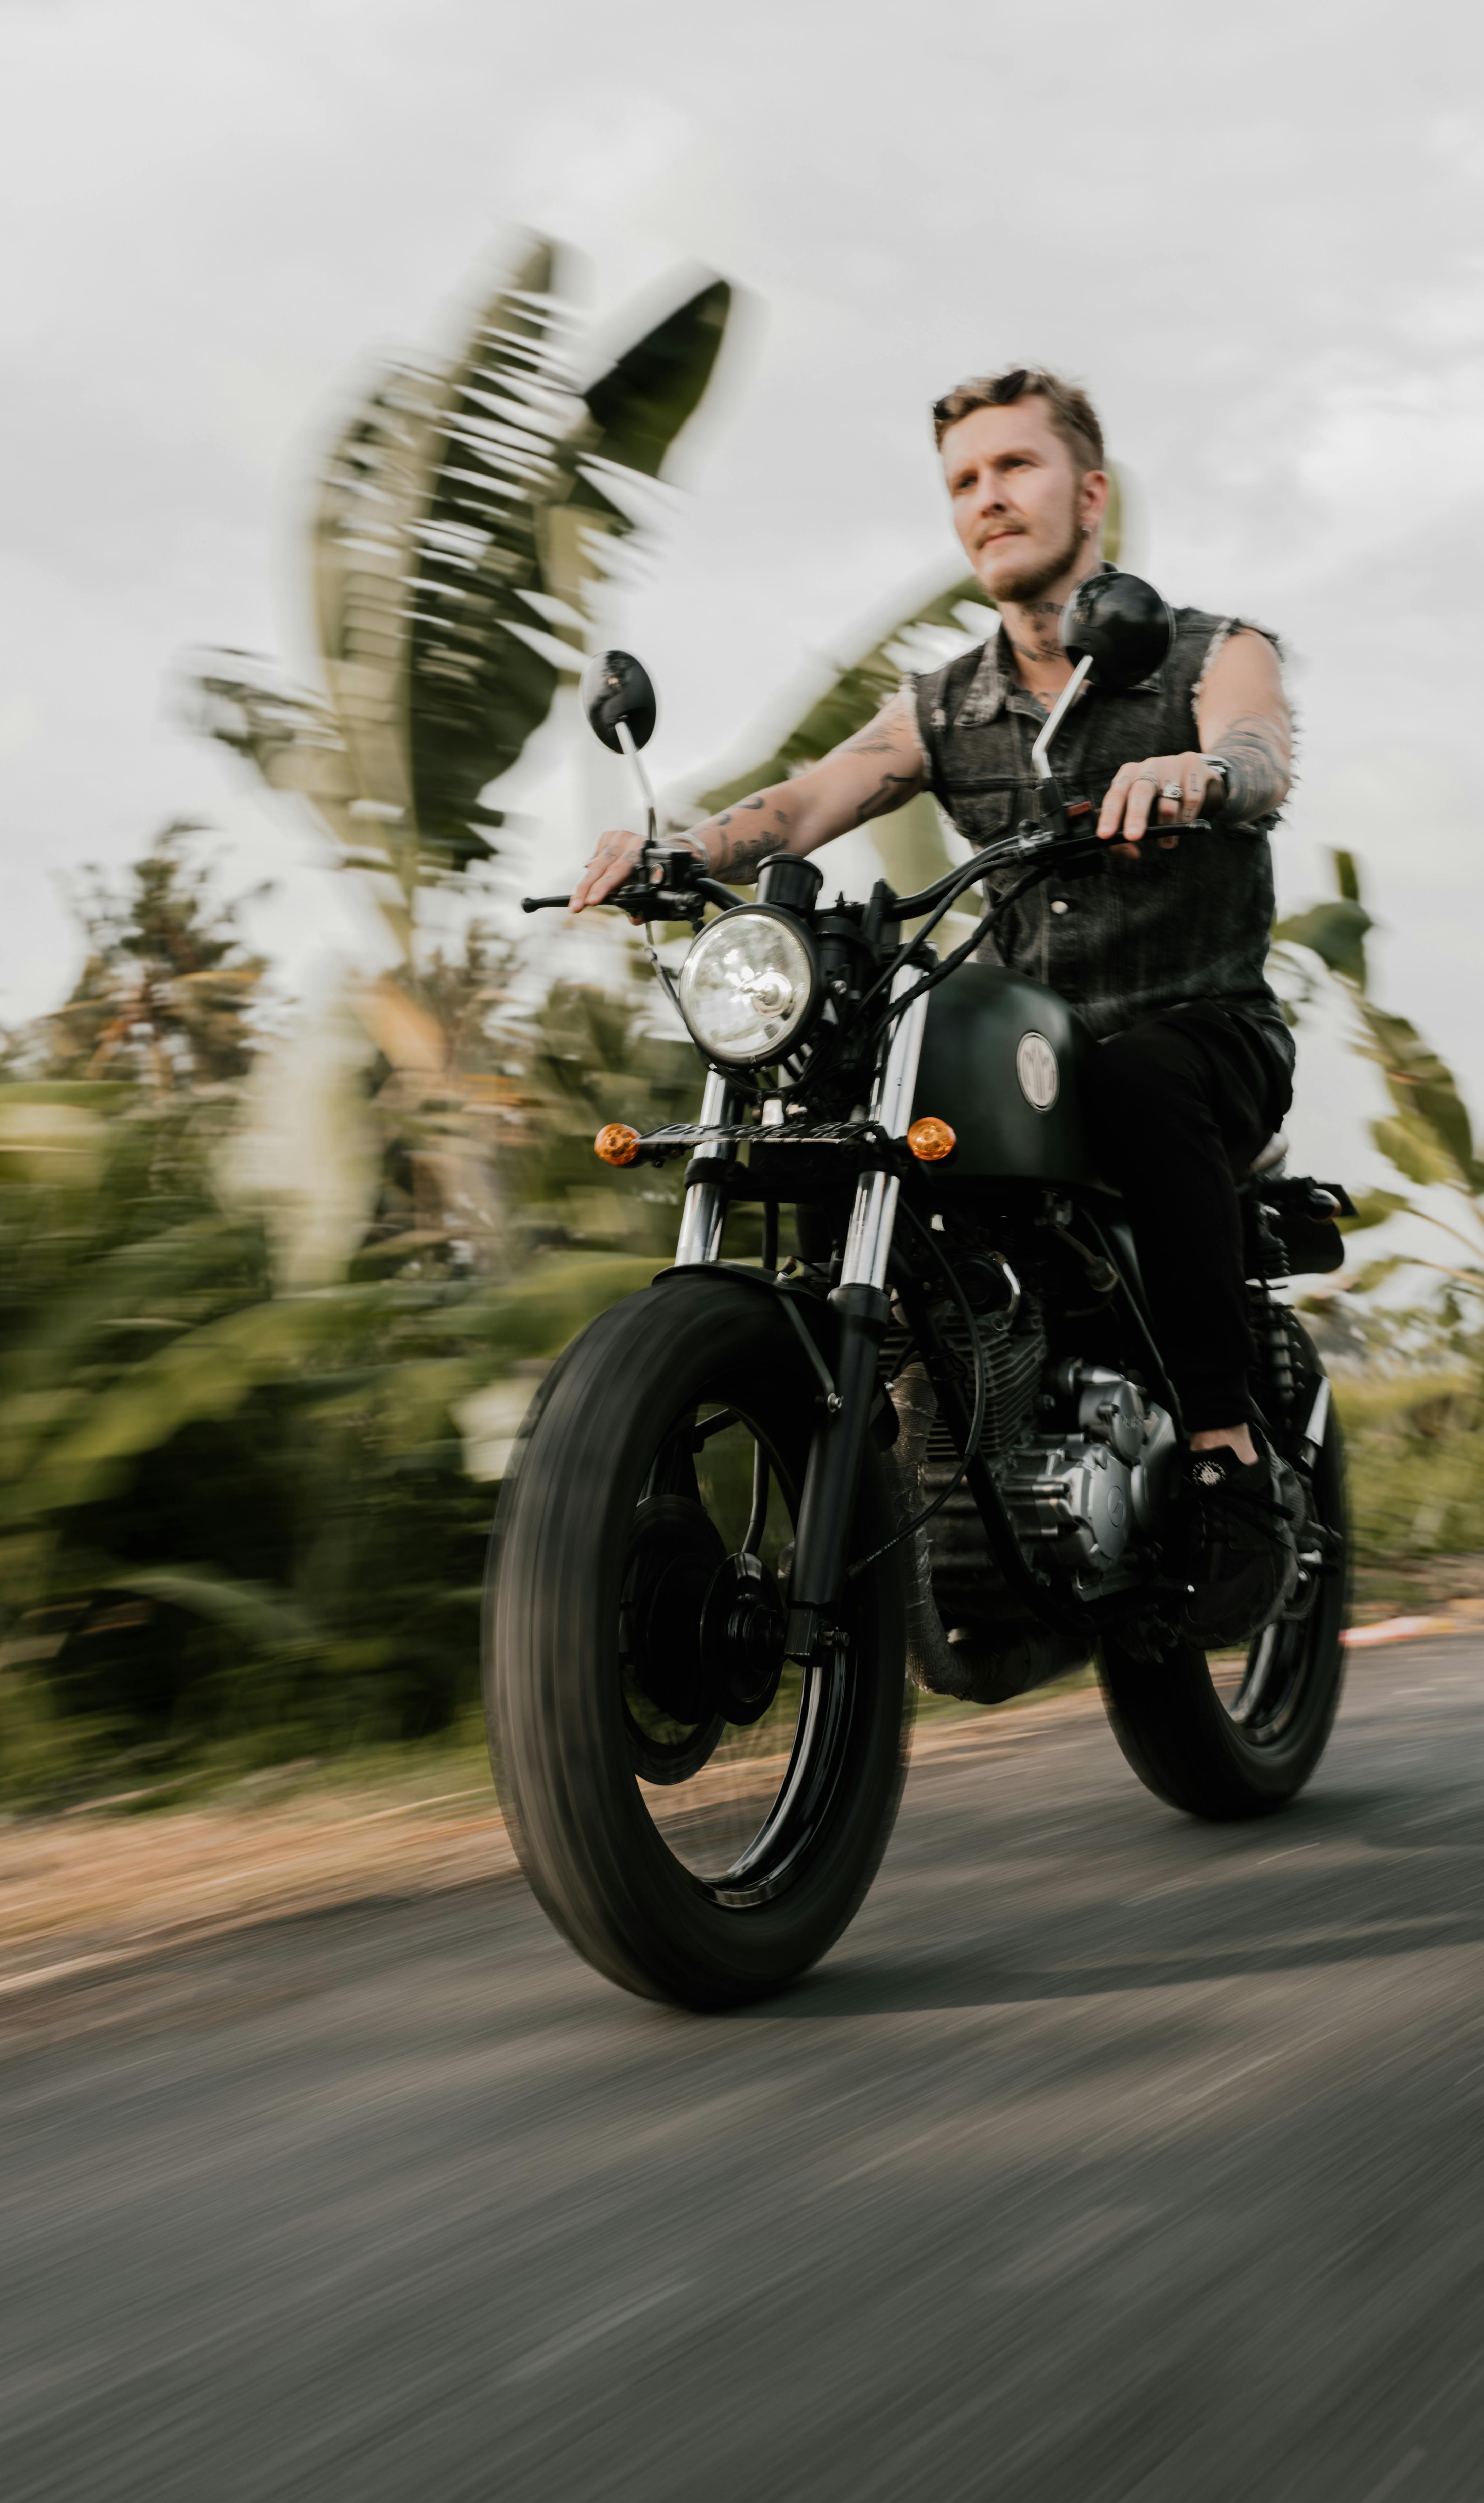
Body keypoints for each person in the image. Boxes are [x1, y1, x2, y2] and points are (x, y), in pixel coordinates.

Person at [570, 366, 1297, 1632]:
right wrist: (679, 850)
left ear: (1090, 494)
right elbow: (809, 799)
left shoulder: (1208, 651)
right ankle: (936, 1439)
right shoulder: (948, 703)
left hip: (1204, 1031)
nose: (987, 498)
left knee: (1142, 1077)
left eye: (1015, 467)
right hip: (1037, 1059)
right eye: (965, 481)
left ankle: (1225, 1453)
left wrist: (1200, 774)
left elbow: (1260, 750)